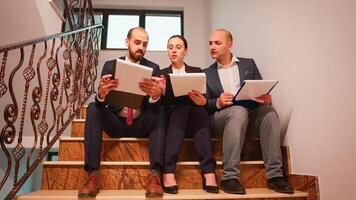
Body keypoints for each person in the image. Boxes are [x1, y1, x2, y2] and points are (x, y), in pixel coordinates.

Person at [203, 29, 294, 194]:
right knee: (238, 111)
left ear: (229, 45)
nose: (212, 47)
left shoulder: (249, 64)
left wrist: (265, 97)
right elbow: (204, 105)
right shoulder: (206, 73)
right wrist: (217, 101)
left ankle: (275, 176)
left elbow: (259, 87)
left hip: (248, 115)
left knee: (269, 113)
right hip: (221, 119)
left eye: (217, 43)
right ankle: (230, 177)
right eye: (210, 43)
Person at [78, 27, 165, 198]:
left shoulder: (154, 68)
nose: (141, 47)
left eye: (145, 44)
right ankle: (93, 174)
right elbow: (101, 103)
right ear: (127, 42)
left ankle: (155, 174)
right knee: (93, 108)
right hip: (116, 123)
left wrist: (155, 96)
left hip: (141, 124)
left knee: (160, 109)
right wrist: (101, 94)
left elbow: (154, 106)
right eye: (137, 42)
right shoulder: (110, 65)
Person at [159, 35, 219, 194]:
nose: (173, 51)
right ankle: (168, 171)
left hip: (195, 117)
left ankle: (209, 171)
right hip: (173, 119)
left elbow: (204, 99)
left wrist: (202, 101)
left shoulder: (196, 71)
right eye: (170, 47)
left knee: (198, 110)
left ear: (186, 51)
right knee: (180, 108)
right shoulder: (162, 73)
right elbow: (161, 106)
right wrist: (165, 93)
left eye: (178, 47)